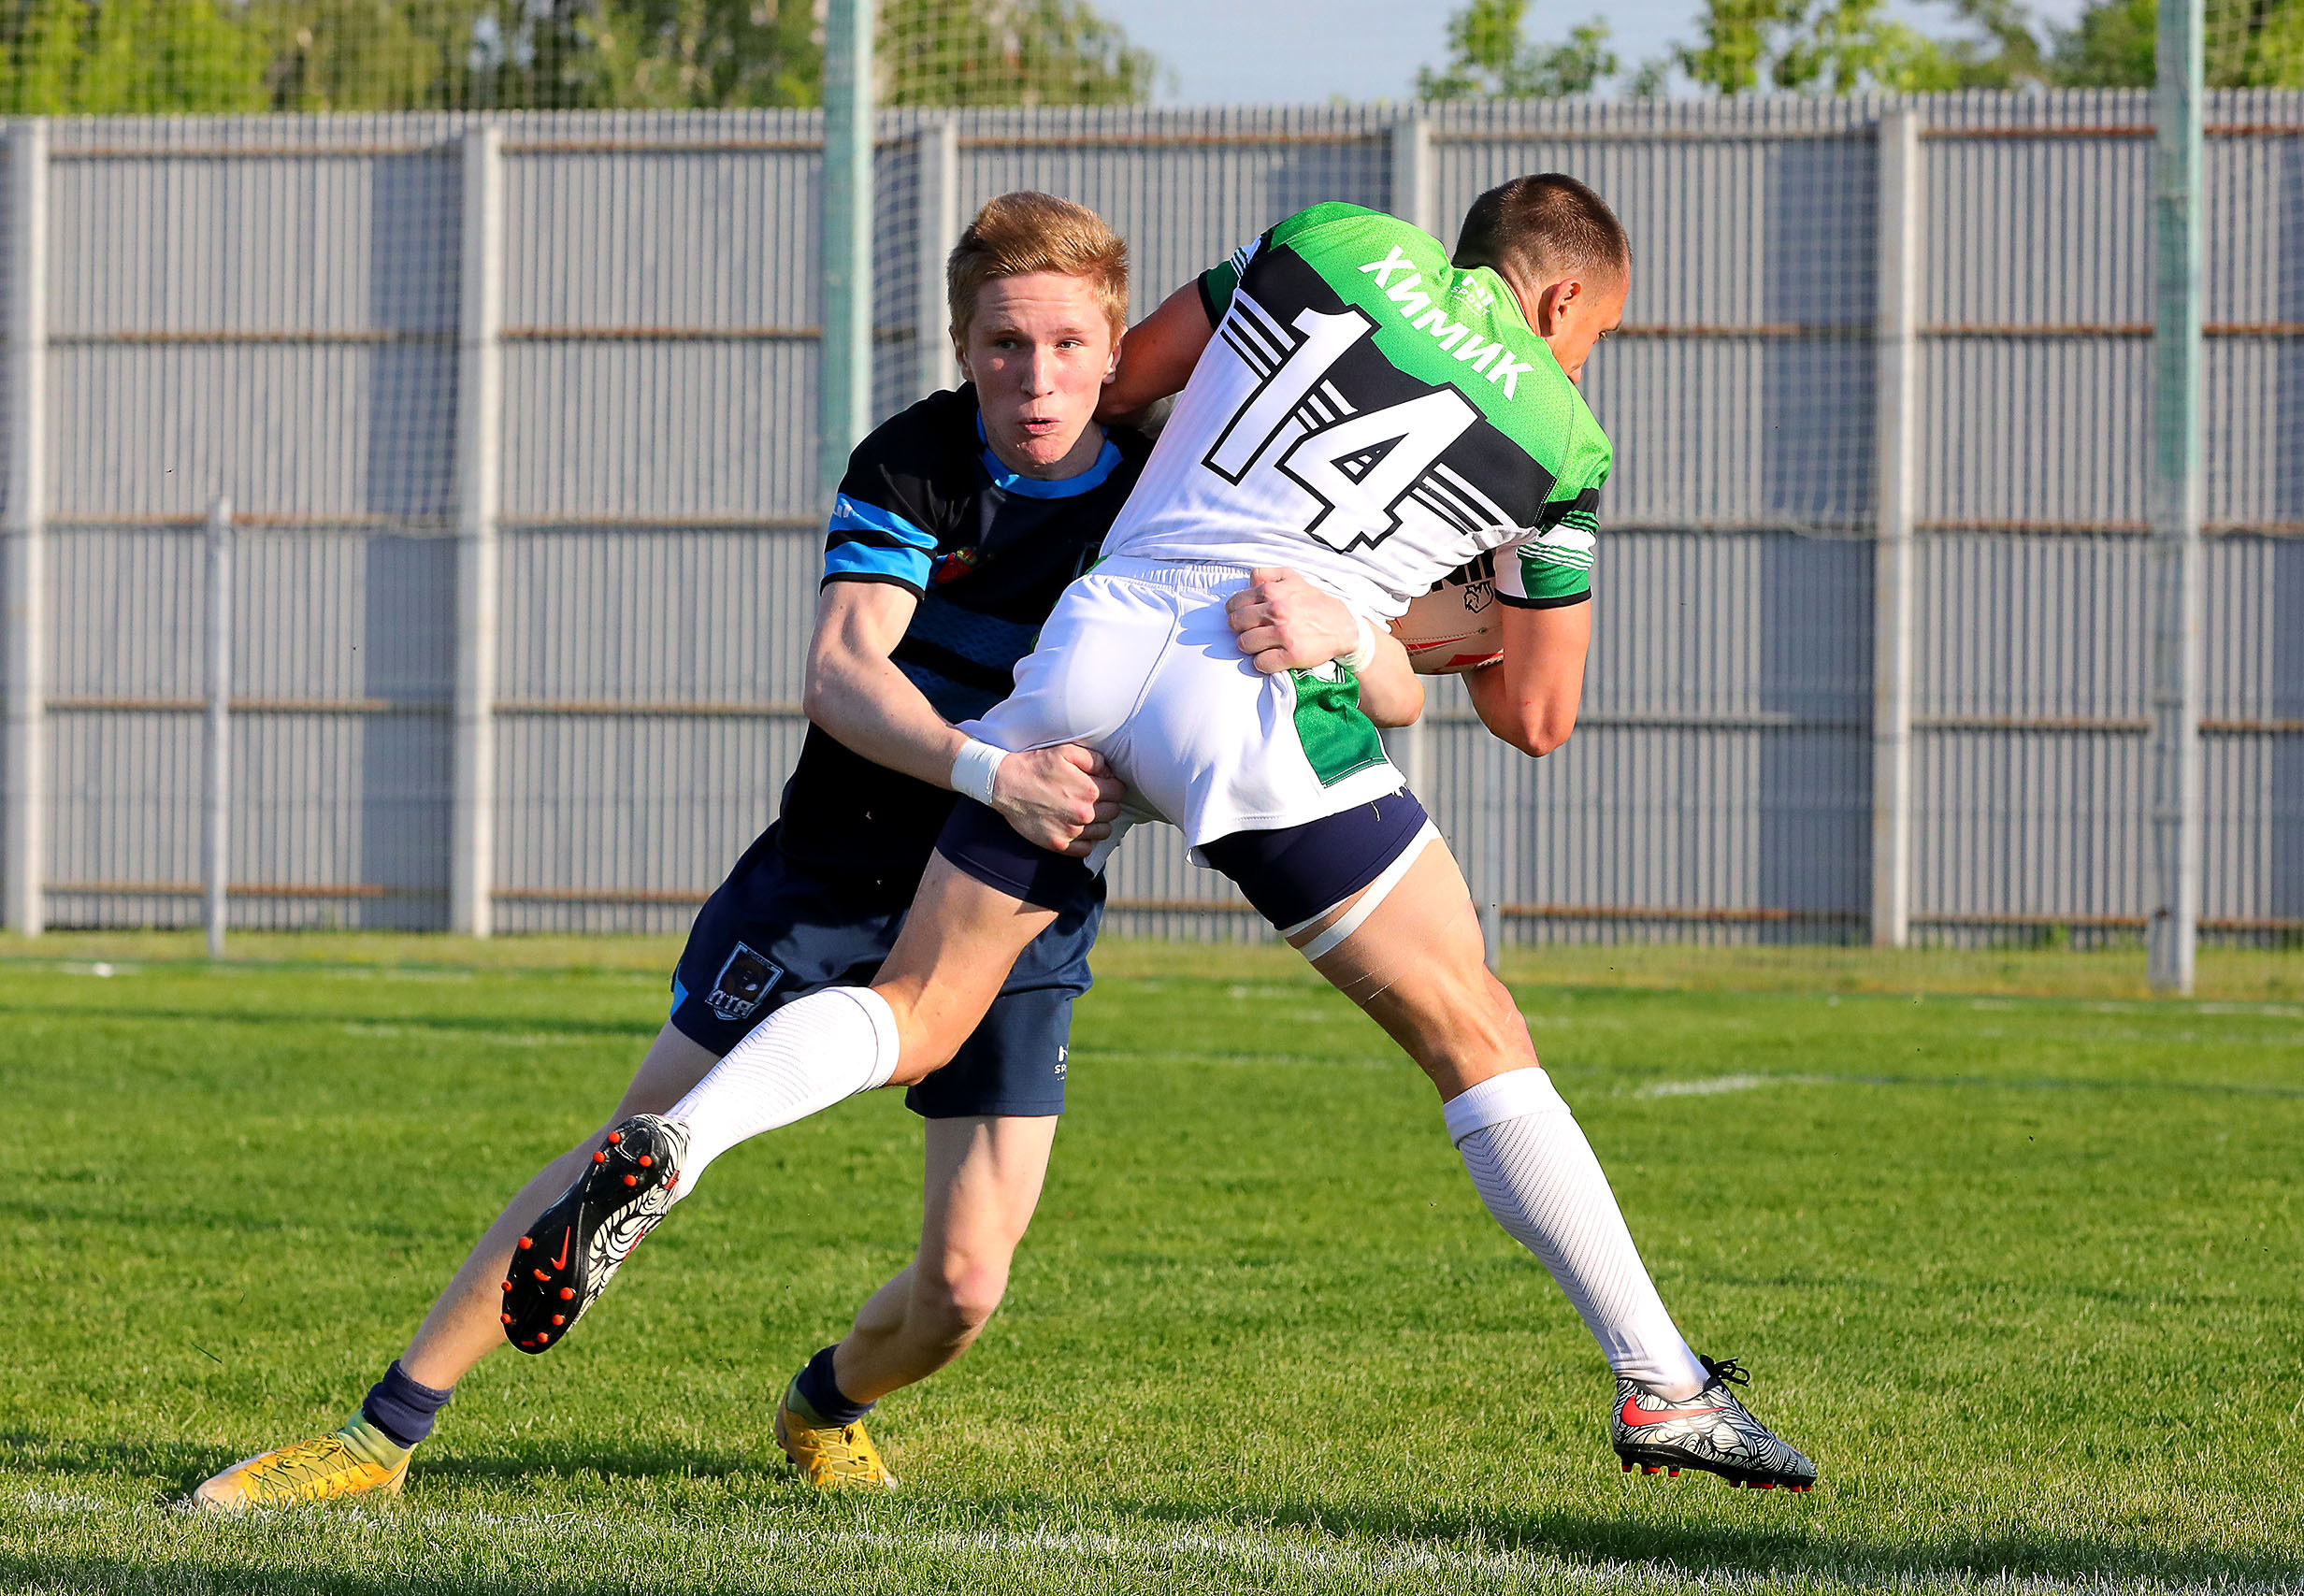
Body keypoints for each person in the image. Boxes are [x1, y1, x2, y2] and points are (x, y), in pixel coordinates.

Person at [511, 175, 1821, 1493]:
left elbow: (1123, 384)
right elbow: (1534, 712)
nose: (1579, 358)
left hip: (1097, 639)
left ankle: (683, 1146)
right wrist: (1371, 620)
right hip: (1258, 692)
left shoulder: (1331, 238)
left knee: (915, 1005)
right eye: (1589, 335)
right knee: (1475, 1030)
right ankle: (1661, 1385)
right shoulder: (1566, 438)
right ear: (1563, 298)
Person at [192, 191, 1406, 1511]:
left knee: (963, 1289)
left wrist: (1346, 627)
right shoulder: (915, 461)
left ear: (1119, 348)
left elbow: (1397, 687)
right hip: (839, 870)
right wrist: (997, 773)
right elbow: (841, 670)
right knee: (637, 1150)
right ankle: (380, 1439)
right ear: (962, 346)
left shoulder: (1178, 480)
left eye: (1067, 344)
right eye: (1005, 343)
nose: (1036, 376)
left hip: (1018, 906)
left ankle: (826, 1402)